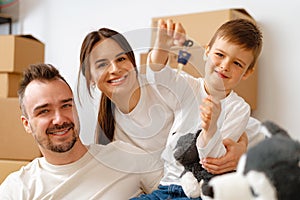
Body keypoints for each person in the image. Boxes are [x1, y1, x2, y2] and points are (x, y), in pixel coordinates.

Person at [76, 26, 260, 178]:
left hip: (199, 181)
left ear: (133, 62)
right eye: (102, 64)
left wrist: (243, 149)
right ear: (90, 77)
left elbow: (248, 128)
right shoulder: (109, 130)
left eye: (121, 58)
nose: (115, 69)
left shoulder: (164, 87)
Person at [132, 18, 263, 199]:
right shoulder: (189, 86)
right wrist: (161, 45)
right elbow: (157, 75)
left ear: (247, 72)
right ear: (206, 51)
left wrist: (211, 127)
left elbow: (215, 160)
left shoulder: (239, 109)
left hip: (199, 192)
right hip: (167, 186)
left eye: (237, 64)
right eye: (219, 55)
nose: (225, 66)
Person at [0, 63, 162, 199]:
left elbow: (181, 191)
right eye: (44, 111)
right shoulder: (17, 189)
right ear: (27, 124)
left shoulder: (127, 157)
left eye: (66, 106)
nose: (59, 119)